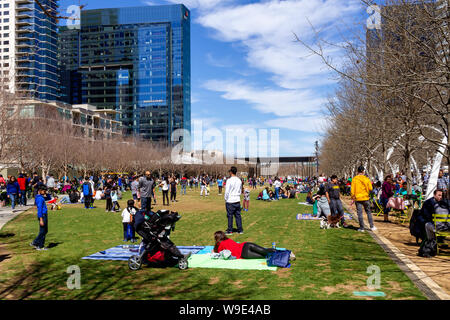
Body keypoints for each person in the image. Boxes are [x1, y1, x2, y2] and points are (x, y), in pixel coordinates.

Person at [351, 166, 376, 232]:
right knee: (368, 212)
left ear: (357, 171)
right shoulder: (366, 179)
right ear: (363, 171)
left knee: (360, 213)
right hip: (365, 197)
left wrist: (352, 197)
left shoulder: (354, 179)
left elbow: (352, 190)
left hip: (358, 198)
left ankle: (362, 228)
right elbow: (370, 188)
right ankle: (372, 226)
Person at [224, 166, 243, 235]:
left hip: (230, 200)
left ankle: (230, 230)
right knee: (238, 215)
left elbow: (227, 191)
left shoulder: (229, 180)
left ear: (231, 172)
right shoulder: (239, 180)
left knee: (230, 216)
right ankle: (240, 230)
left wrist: (225, 199)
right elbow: (240, 190)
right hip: (237, 199)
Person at [30, 186, 49, 251]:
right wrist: (41, 219)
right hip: (42, 216)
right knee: (42, 231)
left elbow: (49, 198)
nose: (45, 192)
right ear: (40, 190)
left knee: (45, 231)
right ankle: (35, 242)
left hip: (44, 215)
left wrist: (47, 194)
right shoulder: (40, 198)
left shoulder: (41, 197)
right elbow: (39, 209)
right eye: (44, 191)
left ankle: (41, 245)